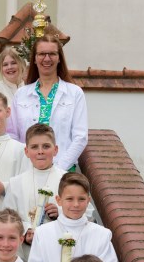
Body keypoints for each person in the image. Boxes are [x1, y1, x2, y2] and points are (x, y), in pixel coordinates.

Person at [28, 173, 117, 262]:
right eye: (69, 199)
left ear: (88, 201)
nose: (75, 204)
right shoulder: (43, 232)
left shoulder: (101, 235)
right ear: (58, 200)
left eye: (81, 199)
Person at [9, 34, 88, 171]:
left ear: (59, 58)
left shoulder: (75, 93)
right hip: (26, 171)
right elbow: (13, 135)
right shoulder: (21, 95)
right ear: (34, 58)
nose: (47, 58)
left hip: (63, 172)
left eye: (52, 54)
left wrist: (59, 168)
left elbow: (80, 138)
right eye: (42, 54)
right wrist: (25, 165)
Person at [3, 123, 65, 249]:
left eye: (46, 146)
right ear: (26, 151)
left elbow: (86, 212)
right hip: (26, 248)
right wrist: (26, 231)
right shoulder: (15, 183)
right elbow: (7, 216)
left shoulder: (66, 180)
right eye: (34, 147)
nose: (40, 152)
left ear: (56, 150)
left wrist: (60, 212)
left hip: (56, 245)